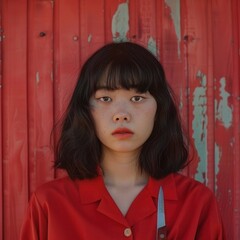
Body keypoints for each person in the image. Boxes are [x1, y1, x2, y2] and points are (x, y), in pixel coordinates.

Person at [20, 42, 225, 239]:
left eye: (137, 98)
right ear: (85, 111)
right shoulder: (49, 204)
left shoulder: (196, 203)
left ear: (159, 108)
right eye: (105, 99)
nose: (121, 115)